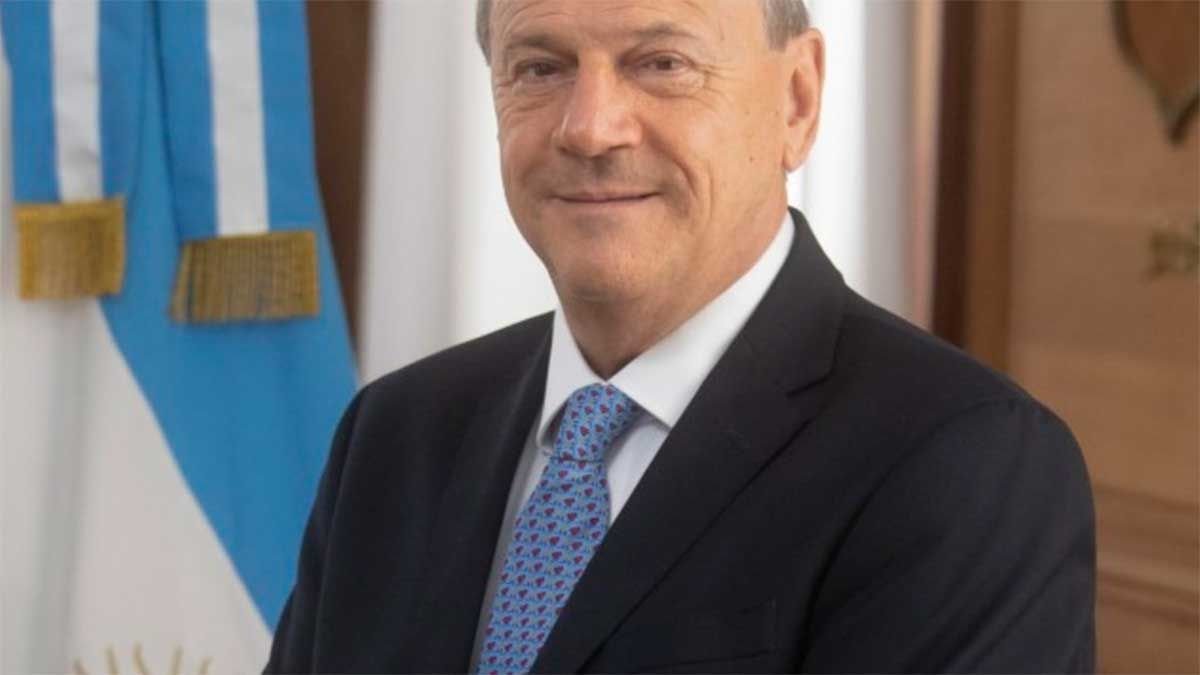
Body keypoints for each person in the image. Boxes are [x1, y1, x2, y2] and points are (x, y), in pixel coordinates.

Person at [265, 0, 1096, 672]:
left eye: (661, 63)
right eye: (541, 67)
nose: (590, 127)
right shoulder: (393, 432)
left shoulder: (966, 466)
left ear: (797, 100)